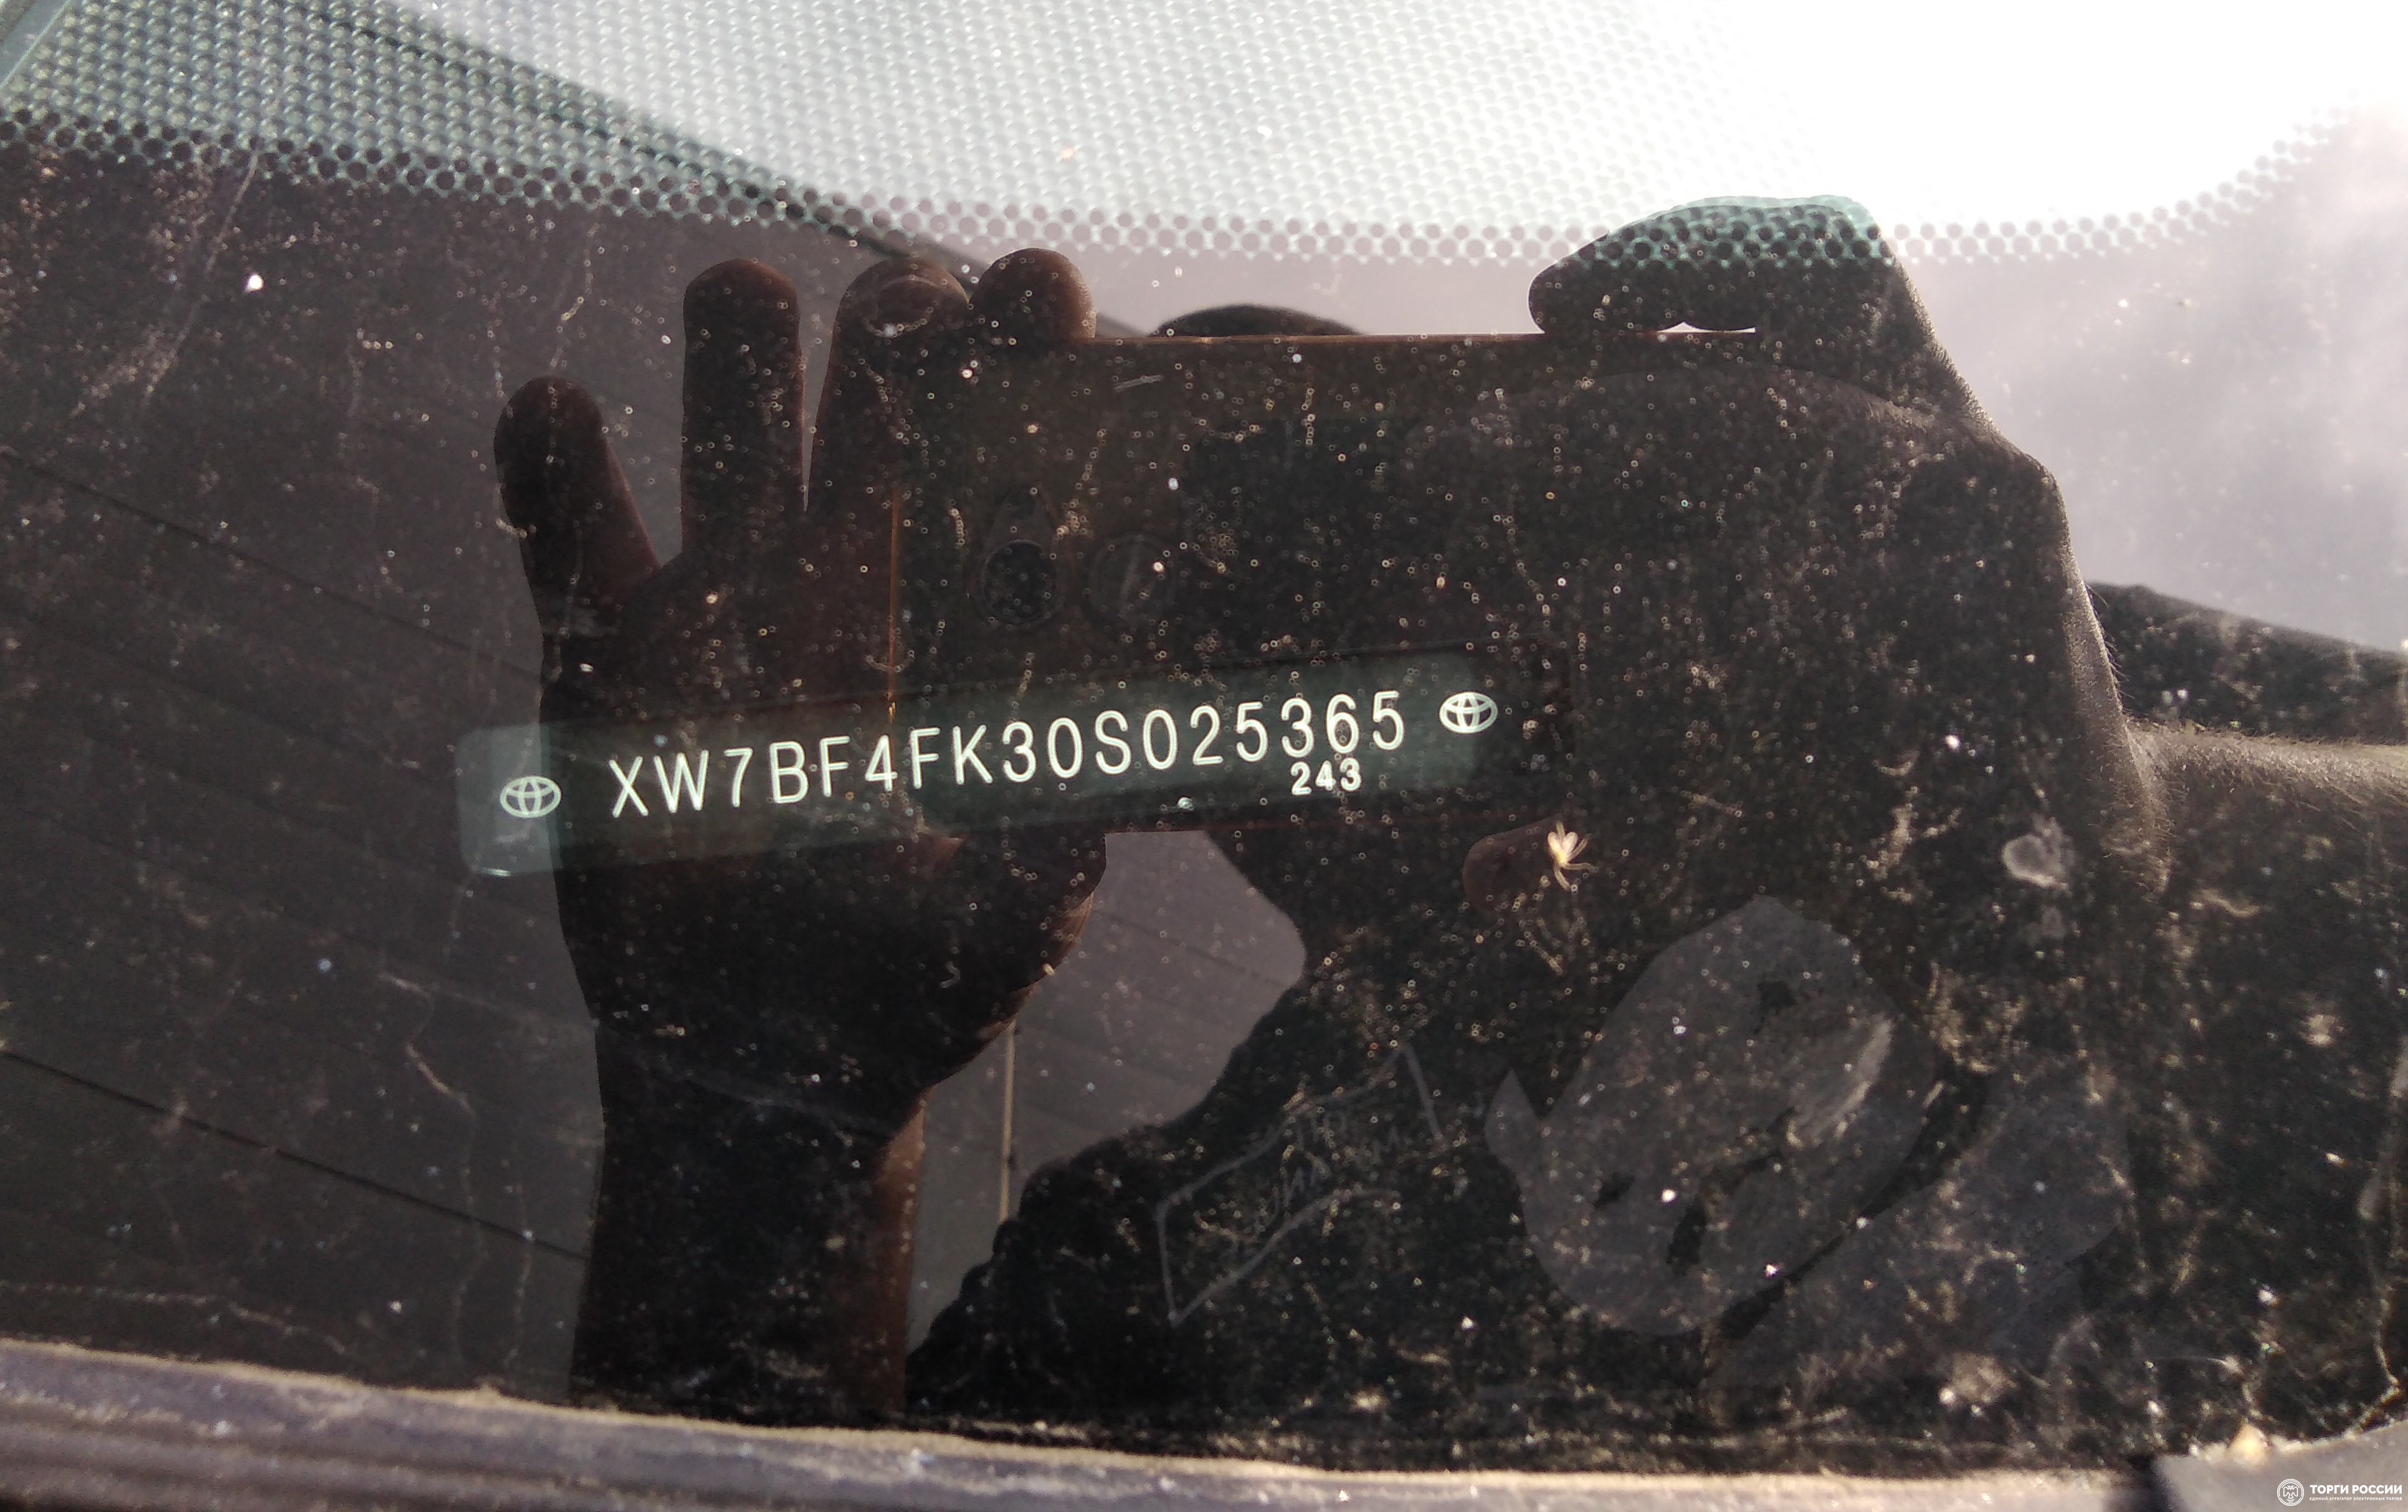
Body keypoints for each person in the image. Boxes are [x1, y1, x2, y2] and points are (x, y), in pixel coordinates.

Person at [491, 201, 2408, 1467]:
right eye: (1192, 553)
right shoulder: (1158, 1249)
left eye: (1363, 475)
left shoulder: (1976, 682)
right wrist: (764, 1096)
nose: (1298, 592)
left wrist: (2092, 838)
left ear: (1549, 447)